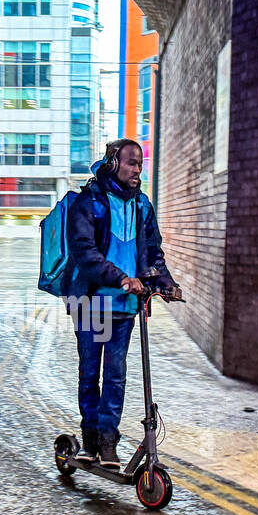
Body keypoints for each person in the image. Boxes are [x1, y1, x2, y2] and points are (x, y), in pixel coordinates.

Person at [65, 139, 181, 468]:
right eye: (131, 163)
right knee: (90, 374)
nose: (137, 169)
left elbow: (152, 254)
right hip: (90, 304)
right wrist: (121, 278)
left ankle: (107, 440)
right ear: (113, 162)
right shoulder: (90, 202)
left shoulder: (142, 206)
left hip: (125, 307)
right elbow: (84, 252)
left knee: (116, 375)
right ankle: (89, 439)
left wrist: (165, 283)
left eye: (140, 164)